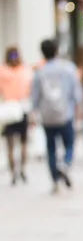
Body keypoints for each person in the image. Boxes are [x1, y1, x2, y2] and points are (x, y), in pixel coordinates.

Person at [31, 39, 83, 193]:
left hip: (47, 116)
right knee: (69, 144)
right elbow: (76, 92)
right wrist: (80, 109)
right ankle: (65, 164)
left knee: (51, 148)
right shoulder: (68, 68)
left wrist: (34, 113)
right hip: (65, 113)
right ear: (57, 50)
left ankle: (55, 180)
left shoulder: (39, 72)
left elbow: (35, 97)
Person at [0, 46, 33, 185]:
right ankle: (22, 170)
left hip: (9, 109)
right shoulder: (24, 70)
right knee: (22, 143)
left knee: (10, 144)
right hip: (21, 109)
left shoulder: (3, 71)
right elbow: (29, 90)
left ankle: (14, 172)